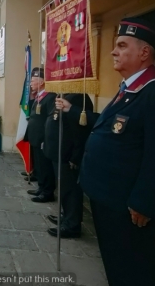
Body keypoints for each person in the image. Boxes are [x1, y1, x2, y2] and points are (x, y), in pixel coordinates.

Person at [57, 17, 155, 285]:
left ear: (144, 53)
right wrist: (72, 111)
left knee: (131, 268)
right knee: (115, 263)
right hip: (108, 198)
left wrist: (144, 201)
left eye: (122, 45)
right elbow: (110, 125)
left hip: (127, 206)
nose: (114, 51)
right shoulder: (128, 90)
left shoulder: (150, 92)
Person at [44, 93, 95, 239]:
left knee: (71, 190)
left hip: (68, 154)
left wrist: (76, 155)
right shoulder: (63, 94)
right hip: (58, 152)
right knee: (64, 189)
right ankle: (66, 217)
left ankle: (72, 225)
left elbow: (81, 130)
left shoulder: (79, 98)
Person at [25, 67, 57, 203]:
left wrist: (45, 139)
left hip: (43, 138)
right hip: (35, 137)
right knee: (39, 165)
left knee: (45, 166)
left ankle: (47, 192)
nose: (31, 83)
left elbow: (49, 120)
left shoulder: (50, 97)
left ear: (42, 82)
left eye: (33, 80)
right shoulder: (39, 96)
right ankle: (41, 187)